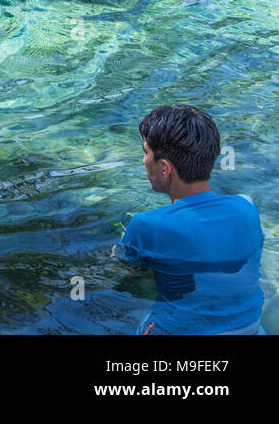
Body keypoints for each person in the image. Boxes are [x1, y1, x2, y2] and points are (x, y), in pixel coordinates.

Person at [112, 105, 264, 334]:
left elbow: (127, 268)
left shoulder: (147, 224)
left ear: (165, 168)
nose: (144, 161)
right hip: (250, 327)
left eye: (146, 152)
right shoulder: (247, 207)